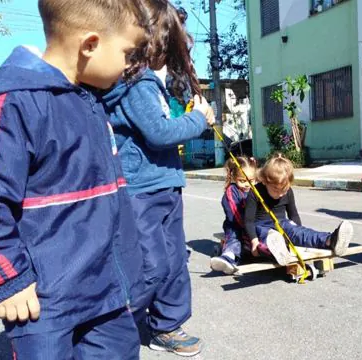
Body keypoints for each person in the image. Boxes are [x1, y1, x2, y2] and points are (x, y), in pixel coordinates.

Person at [0, 0, 148, 358]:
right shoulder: (13, 101)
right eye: (128, 52)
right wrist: (7, 278)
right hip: (45, 303)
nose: (130, 65)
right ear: (90, 45)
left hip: (107, 292)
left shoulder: (89, 99)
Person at [102, 0, 214, 356]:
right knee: (152, 263)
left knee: (175, 259)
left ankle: (167, 324)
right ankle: (120, 322)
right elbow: (160, 133)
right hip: (141, 190)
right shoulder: (137, 85)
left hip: (164, 183)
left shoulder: (150, 84)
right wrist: (200, 119)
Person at [244, 154, 354, 266]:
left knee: (299, 232)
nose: (281, 194)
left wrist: (297, 232)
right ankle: (278, 249)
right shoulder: (255, 192)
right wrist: (253, 241)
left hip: (282, 224)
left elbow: (294, 215)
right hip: (262, 226)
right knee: (267, 236)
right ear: (265, 181)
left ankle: (330, 240)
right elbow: (248, 221)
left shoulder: (288, 192)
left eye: (284, 190)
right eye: (276, 190)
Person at [210, 156, 258, 274]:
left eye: (251, 180)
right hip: (236, 225)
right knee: (235, 238)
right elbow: (234, 215)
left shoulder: (255, 190)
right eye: (243, 181)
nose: (247, 184)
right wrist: (249, 229)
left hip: (254, 225)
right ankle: (228, 257)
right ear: (234, 178)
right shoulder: (231, 192)